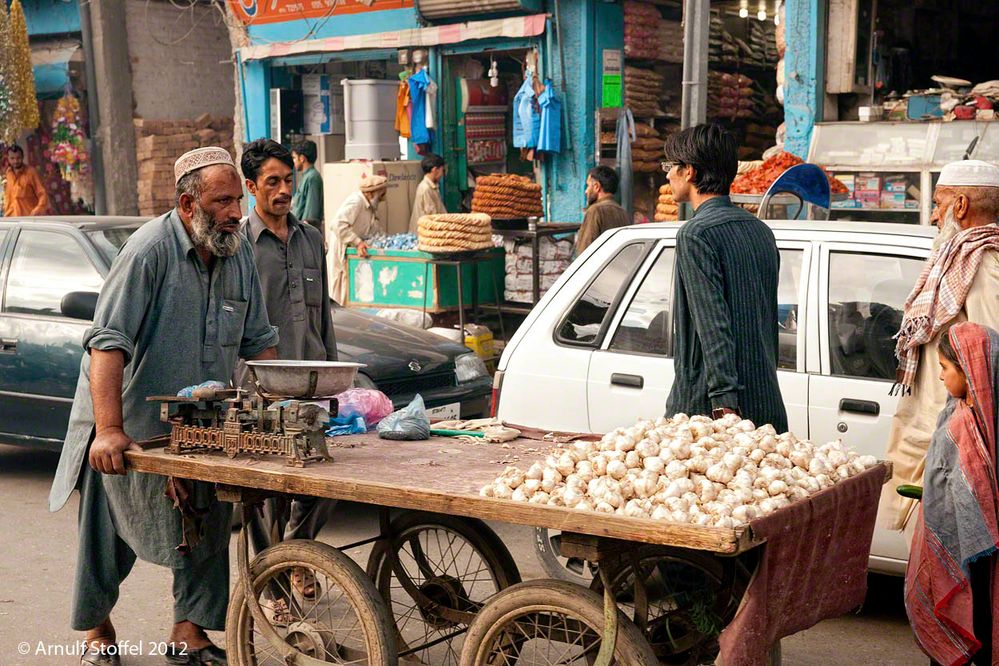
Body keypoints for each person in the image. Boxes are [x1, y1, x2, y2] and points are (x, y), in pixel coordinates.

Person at [48, 147, 279, 666]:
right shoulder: (147, 251)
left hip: (200, 425)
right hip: (127, 419)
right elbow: (106, 345)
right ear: (186, 204)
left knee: (207, 523)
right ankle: (98, 634)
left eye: (237, 200)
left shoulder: (236, 249)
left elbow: (260, 342)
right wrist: (108, 429)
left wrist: (279, 409)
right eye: (223, 201)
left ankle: (188, 633)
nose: (236, 212)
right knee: (106, 536)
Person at [239, 138, 337, 613]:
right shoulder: (237, 244)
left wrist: (341, 380)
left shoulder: (312, 238)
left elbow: (325, 322)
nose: (282, 190)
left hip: (312, 385)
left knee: (320, 482)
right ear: (251, 186)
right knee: (261, 497)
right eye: (271, 182)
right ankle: (276, 588)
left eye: (287, 180)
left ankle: (297, 555)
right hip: (256, 389)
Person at [886, 159, 999, 532]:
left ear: (961, 205)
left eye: (938, 203)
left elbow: (988, 361)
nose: (935, 216)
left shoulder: (982, 262)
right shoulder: (957, 257)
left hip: (954, 442)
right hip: (931, 430)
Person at [662, 124, 788, 432]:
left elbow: (712, 324)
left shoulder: (695, 234)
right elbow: (767, 319)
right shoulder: (761, 231)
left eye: (670, 166)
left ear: (689, 171)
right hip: (765, 399)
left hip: (712, 410)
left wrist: (723, 405)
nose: (667, 175)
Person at [905, 322, 999, 666]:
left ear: (969, 370)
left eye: (945, 368)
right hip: (968, 553)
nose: (941, 378)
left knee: (974, 629)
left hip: (975, 559)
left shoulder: (970, 426)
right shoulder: (959, 414)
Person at [327, 173, 387, 305]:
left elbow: (373, 228)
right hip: (342, 250)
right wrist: (358, 242)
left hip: (353, 251)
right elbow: (337, 224)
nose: (384, 198)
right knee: (342, 290)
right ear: (371, 194)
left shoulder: (370, 206)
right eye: (381, 195)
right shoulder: (356, 202)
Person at [575, 165, 631, 255]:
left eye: (588, 186)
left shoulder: (595, 211)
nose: (586, 191)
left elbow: (585, 252)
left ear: (597, 186)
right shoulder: (622, 212)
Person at [3, 143, 48, 217]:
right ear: (8, 158)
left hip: (29, 218)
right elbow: (9, 197)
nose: (15, 161)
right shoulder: (8, 173)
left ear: (23, 157)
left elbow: (42, 193)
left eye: (18, 158)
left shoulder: (31, 172)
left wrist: (38, 210)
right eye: (12, 158)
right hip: (12, 218)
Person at [291, 139, 324, 236]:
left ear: (302, 158)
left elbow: (311, 214)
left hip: (306, 233)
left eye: (294, 158)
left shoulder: (312, 177)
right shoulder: (306, 177)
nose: (293, 162)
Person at [409, 153, 447, 232]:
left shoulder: (432, 186)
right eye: (442, 170)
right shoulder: (426, 189)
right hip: (425, 235)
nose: (442, 174)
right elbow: (432, 217)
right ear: (435, 170)